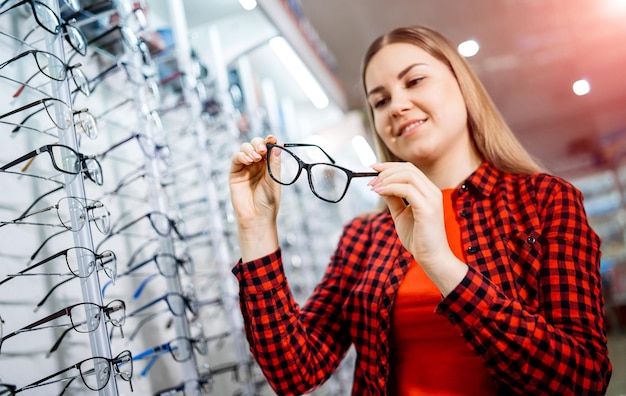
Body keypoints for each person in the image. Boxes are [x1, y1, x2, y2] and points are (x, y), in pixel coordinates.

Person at [228, 25, 612, 395]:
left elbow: (582, 379)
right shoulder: (365, 236)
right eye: (380, 100)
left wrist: (442, 265)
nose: (397, 106)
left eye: (414, 81)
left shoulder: (543, 201)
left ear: (462, 86)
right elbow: (294, 371)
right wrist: (255, 227)